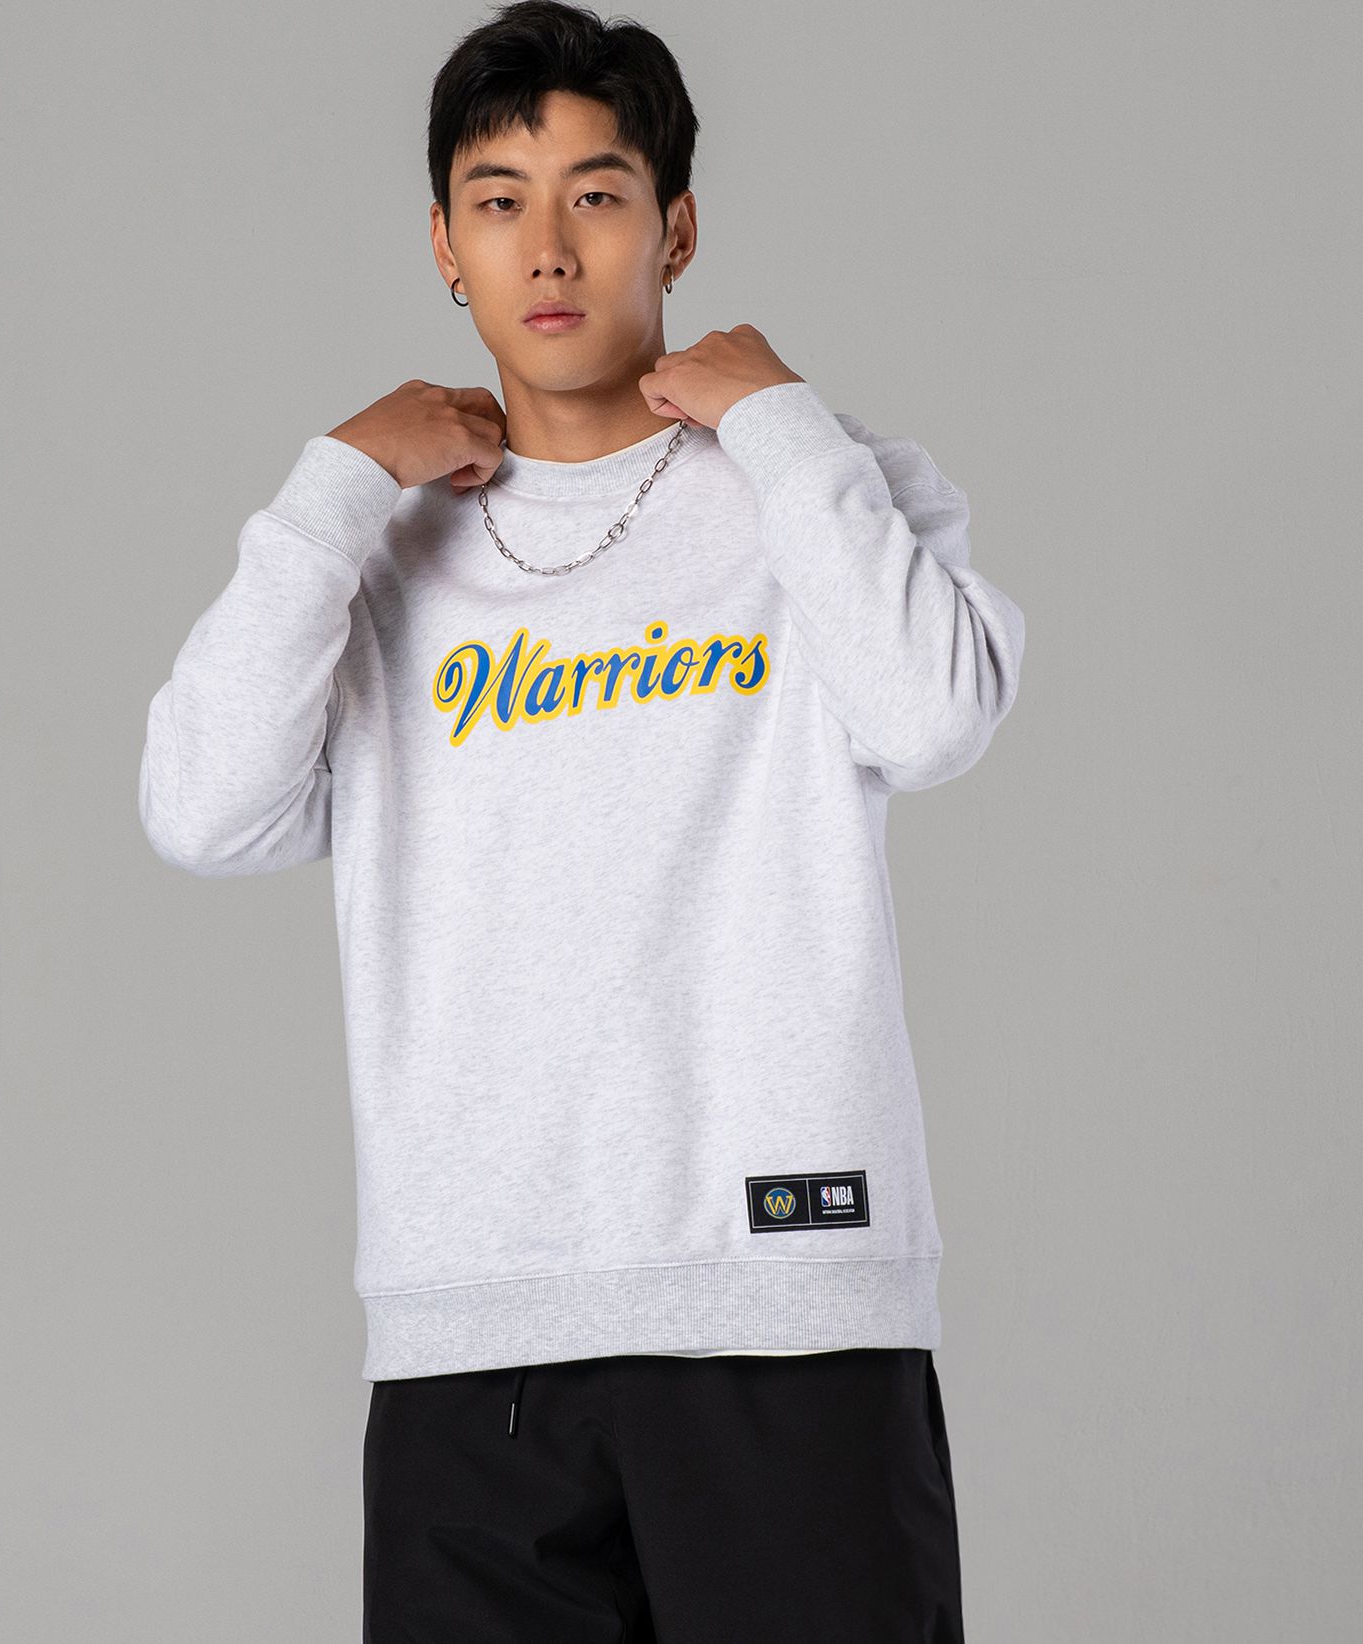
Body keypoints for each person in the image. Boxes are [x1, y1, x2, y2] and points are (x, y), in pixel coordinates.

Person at [138, 1, 1024, 1635]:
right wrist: (337, 482)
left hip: (785, 1307)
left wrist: (779, 422)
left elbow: (934, 713)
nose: (548, 247)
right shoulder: (382, 555)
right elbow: (202, 809)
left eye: (597, 196)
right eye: (500, 202)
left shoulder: (822, 489)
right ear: (445, 246)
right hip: (475, 1332)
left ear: (674, 229)